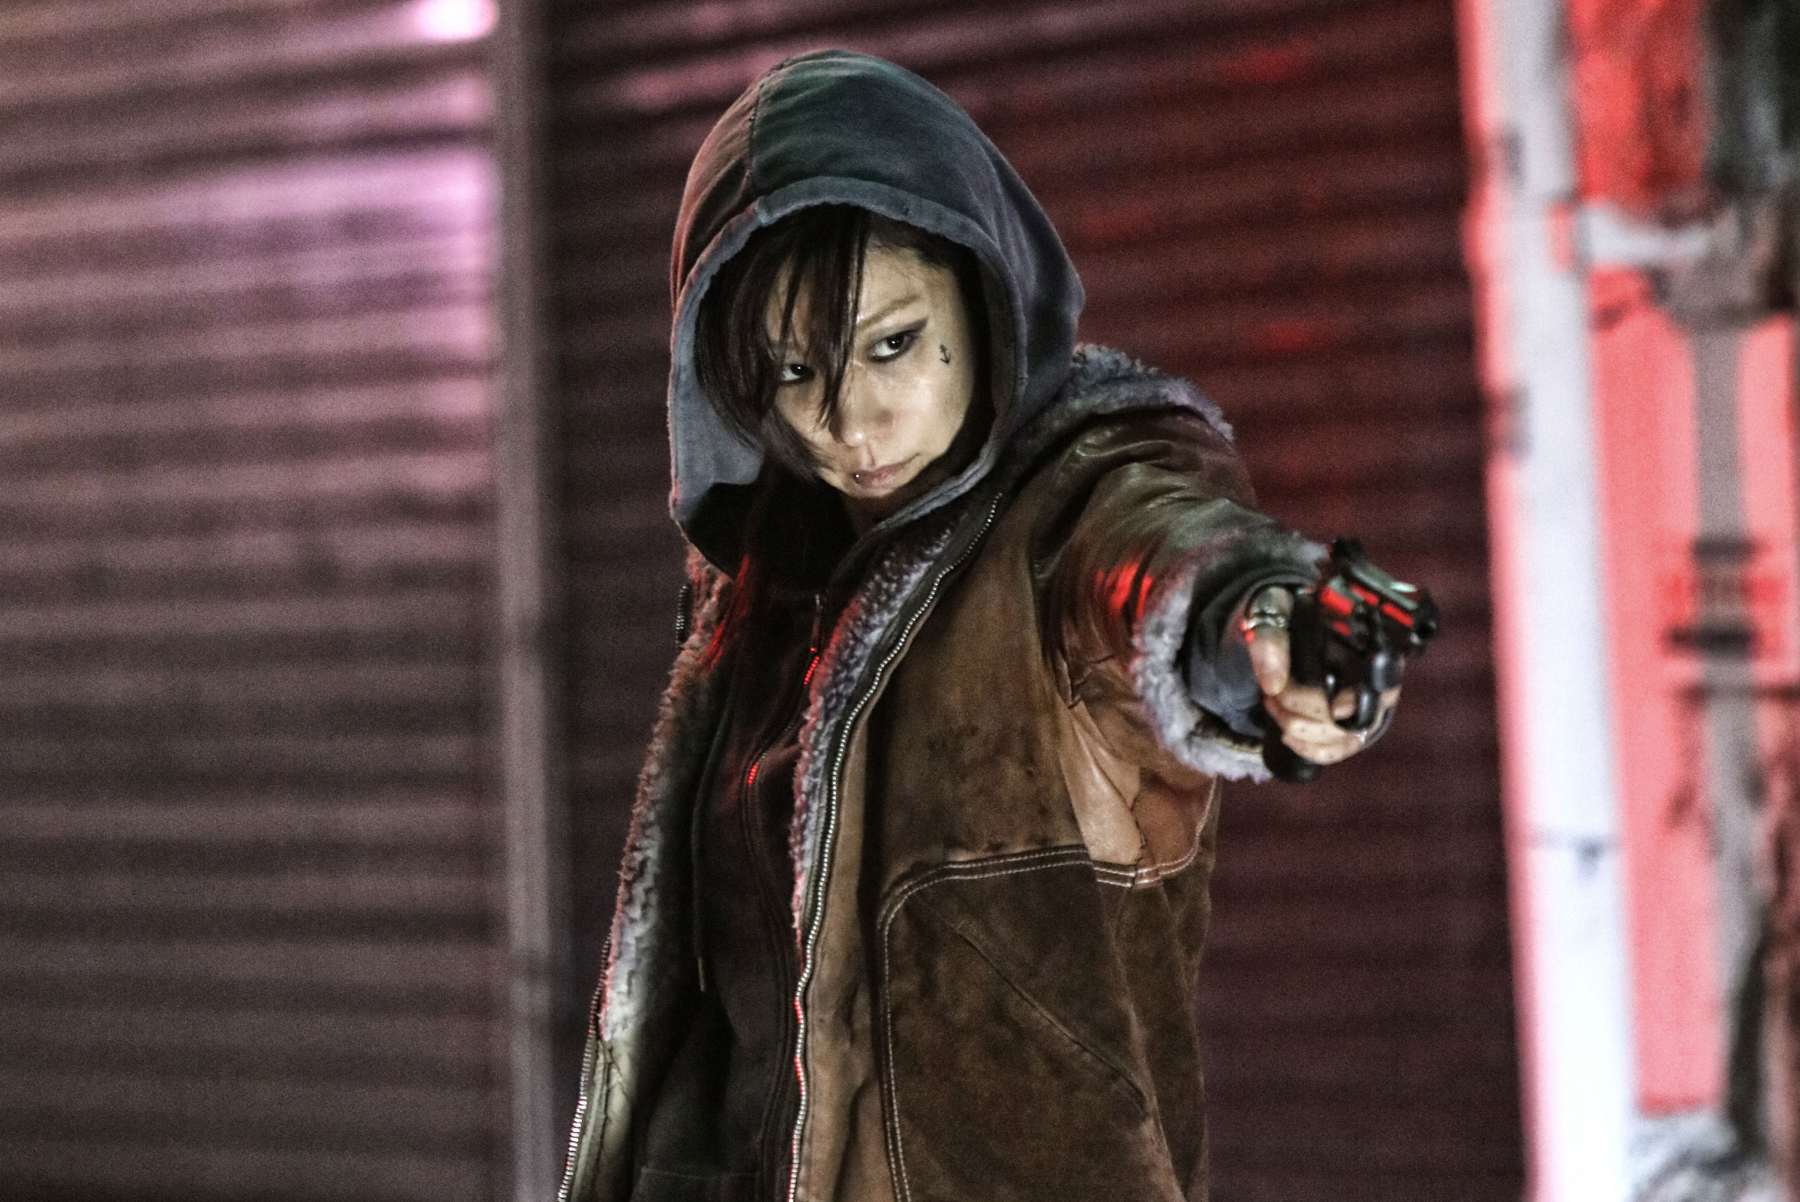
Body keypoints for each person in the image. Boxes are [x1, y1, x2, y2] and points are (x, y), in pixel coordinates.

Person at [559, 49, 1402, 1202]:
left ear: (982, 287)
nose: (850, 420)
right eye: (794, 369)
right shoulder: (764, 587)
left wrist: (1262, 627)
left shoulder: (1069, 509)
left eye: (892, 342)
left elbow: (1160, 558)